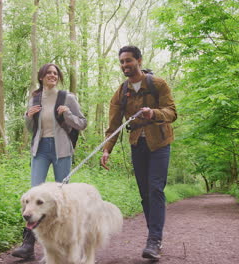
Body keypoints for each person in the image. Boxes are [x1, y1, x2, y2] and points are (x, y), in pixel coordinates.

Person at [100, 46, 177, 260]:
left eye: (129, 61)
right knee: (144, 193)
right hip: (137, 144)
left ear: (139, 61)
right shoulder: (120, 92)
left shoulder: (158, 84)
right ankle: (153, 236)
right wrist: (107, 150)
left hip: (160, 143)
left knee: (155, 188)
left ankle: (154, 241)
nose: (125, 65)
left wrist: (154, 112)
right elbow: (113, 125)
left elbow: (172, 112)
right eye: (122, 62)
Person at [12, 63, 87, 259]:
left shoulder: (67, 97)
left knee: (62, 195)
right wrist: (28, 117)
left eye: (55, 73)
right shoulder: (35, 98)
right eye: (48, 73)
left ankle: (64, 243)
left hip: (62, 148)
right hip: (40, 149)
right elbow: (31, 128)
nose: (52, 76)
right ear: (41, 77)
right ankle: (28, 246)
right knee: (34, 194)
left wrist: (67, 113)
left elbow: (82, 123)